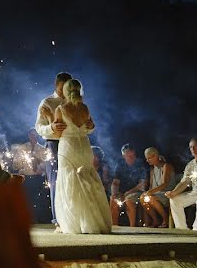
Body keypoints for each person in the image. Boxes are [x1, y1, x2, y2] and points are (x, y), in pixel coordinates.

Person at [52, 79, 111, 234]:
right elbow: (90, 126)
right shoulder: (85, 108)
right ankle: (94, 222)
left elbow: (57, 132)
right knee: (87, 179)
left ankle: (77, 223)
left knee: (70, 181)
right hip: (84, 146)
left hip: (68, 146)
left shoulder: (61, 109)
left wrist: (52, 127)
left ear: (65, 91)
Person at [35, 72, 73, 225]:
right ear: (57, 85)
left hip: (71, 144)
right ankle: (58, 218)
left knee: (72, 180)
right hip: (53, 144)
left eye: (68, 86)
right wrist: (52, 127)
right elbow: (38, 127)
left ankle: (72, 216)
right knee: (56, 181)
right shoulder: (47, 102)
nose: (66, 89)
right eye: (64, 85)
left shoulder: (73, 102)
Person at [110, 144, 148, 227]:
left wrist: (128, 192)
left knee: (129, 200)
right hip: (122, 192)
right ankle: (114, 225)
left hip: (136, 191)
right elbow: (115, 182)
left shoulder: (140, 163)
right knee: (113, 199)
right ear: (123, 156)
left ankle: (132, 226)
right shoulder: (120, 165)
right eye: (129, 155)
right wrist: (114, 193)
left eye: (133, 155)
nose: (132, 157)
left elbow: (143, 184)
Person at [141, 146, 175, 228]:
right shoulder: (152, 170)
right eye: (146, 158)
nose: (147, 160)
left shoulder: (166, 166)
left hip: (167, 192)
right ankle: (155, 220)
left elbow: (164, 184)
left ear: (155, 156)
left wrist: (150, 192)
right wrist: (147, 192)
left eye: (149, 158)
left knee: (150, 197)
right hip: (157, 193)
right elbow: (151, 186)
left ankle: (165, 220)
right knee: (142, 197)